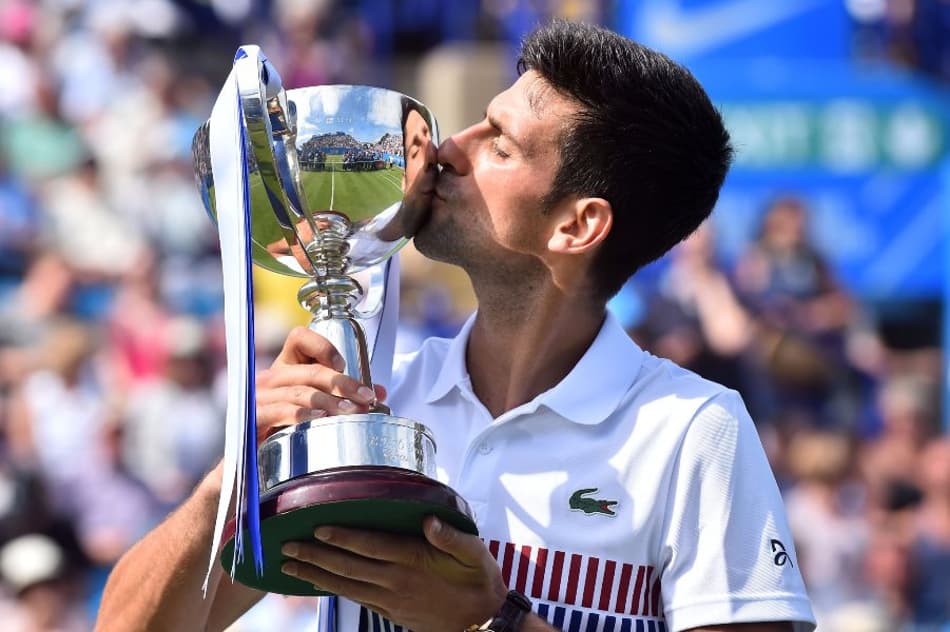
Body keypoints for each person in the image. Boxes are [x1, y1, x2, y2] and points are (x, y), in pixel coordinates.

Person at [96, 21, 815, 632]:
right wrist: (236, 474)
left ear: (577, 225)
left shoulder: (694, 431)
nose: (446, 149)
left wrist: (488, 619)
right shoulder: (373, 407)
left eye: (498, 143)